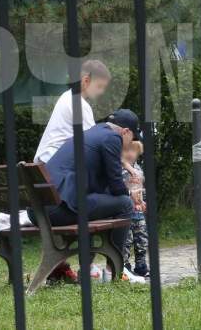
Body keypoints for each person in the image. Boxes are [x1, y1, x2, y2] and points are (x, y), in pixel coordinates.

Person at [39, 109, 142, 261]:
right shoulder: (113, 137)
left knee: (93, 202)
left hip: (41, 210)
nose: (129, 144)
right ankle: (117, 266)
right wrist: (130, 194)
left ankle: (87, 268)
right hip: (58, 209)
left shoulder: (92, 133)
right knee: (125, 204)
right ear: (126, 132)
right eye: (132, 138)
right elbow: (116, 186)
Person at [33, 59, 111, 164]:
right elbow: (95, 144)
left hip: (47, 158)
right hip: (55, 162)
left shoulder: (67, 96)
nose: (101, 91)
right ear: (86, 81)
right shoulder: (79, 104)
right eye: (99, 86)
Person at [121, 141, 149, 278]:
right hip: (126, 211)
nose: (130, 154)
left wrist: (143, 201)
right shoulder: (120, 170)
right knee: (127, 240)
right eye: (127, 151)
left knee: (142, 239)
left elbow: (140, 188)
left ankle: (141, 265)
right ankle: (125, 266)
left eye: (134, 151)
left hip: (138, 211)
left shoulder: (138, 169)